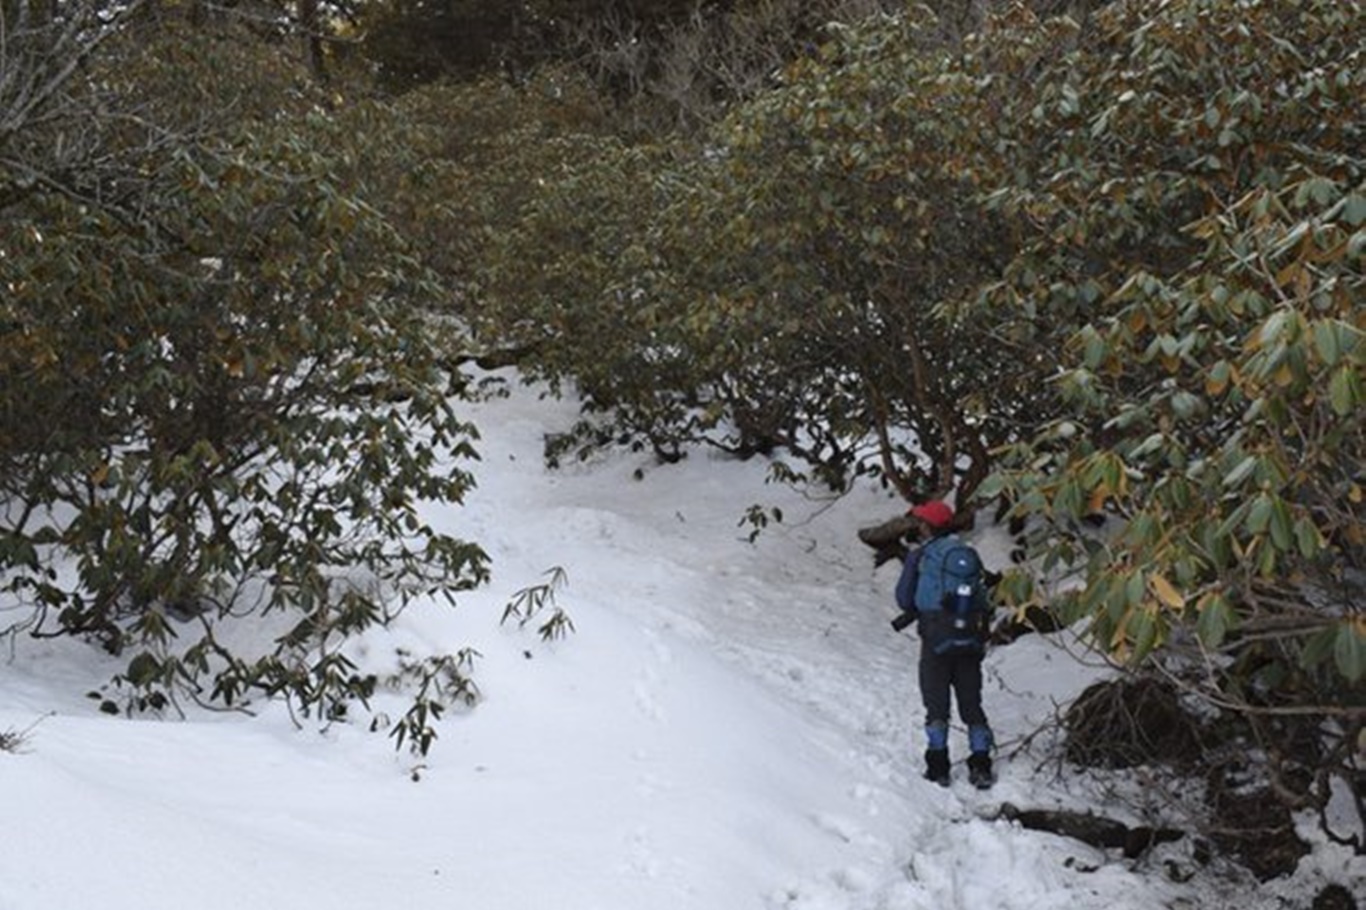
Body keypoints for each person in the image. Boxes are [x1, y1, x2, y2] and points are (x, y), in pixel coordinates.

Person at [892, 499, 995, 789]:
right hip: (969, 640)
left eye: (921, 522)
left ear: (927, 527)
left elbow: (903, 599)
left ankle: (938, 766)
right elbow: (983, 597)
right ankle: (981, 764)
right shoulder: (968, 554)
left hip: (935, 638)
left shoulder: (921, 556)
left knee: (937, 704)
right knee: (972, 703)